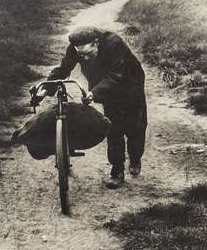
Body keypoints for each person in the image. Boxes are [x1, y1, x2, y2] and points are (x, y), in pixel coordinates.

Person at [35, 26, 147, 189]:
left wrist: (93, 93)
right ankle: (117, 171)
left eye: (88, 54)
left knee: (135, 127)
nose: (85, 59)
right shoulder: (76, 47)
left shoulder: (114, 44)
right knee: (113, 128)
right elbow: (63, 69)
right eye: (81, 56)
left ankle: (135, 157)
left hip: (130, 85)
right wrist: (45, 89)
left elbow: (116, 77)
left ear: (96, 43)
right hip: (105, 86)